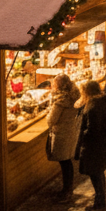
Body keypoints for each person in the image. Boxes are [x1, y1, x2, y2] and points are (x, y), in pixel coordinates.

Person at [75, 80, 106, 211]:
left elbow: (92, 129)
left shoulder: (93, 107)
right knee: (99, 175)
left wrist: (81, 137)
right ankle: (98, 203)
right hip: (101, 145)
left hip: (94, 147)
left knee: (96, 176)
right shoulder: (102, 102)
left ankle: (101, 206)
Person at [46, 73, 80, 201]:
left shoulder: (60, 102)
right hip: (70, 131)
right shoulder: (73, 96)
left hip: (61, 134)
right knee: (67, 162)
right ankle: (68, 189)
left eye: (54, 84)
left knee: (64, 163)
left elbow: (51, 120)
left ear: (58, 86)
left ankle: (67, 191)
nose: (52, 87)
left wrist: (48, 113)